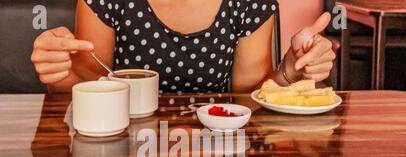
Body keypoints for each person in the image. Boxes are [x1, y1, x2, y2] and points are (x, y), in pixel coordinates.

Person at [31, 0, 336, 93]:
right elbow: (85, 86)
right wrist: (59, 70)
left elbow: (249, 97)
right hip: (123, 153)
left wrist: (288, 71)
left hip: (215, 153)